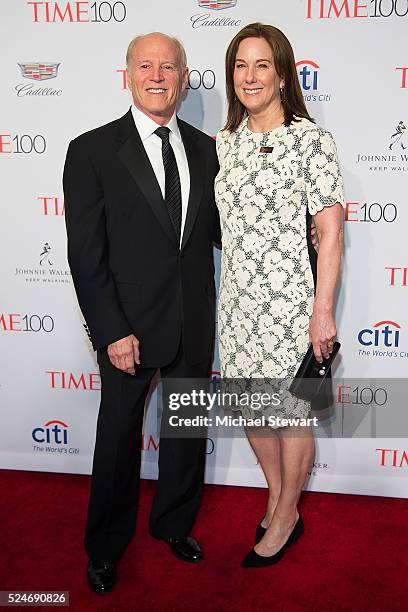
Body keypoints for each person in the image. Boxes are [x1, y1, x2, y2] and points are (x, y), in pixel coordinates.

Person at [63, 32, 220, 594]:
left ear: (184, 77)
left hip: (194, 324)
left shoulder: (208, 149)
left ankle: (174, 523)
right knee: (118, 442)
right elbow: (85, 253)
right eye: (147, 66)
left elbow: (227, 232)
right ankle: (105, 548)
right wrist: (111, 331)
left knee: (183, 434)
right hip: (126, 329)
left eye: (170, 67)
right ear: (128, 73)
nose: (159, 76)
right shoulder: (92, 150)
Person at [215, 23, 345, 567]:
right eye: (241, 66)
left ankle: (287, 514)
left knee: (290, 414)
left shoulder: (311, 140)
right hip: (238, 302)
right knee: (253, 407)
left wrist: (322, 313)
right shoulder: (224, 142)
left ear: (283, 73)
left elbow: (332, 233)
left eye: (262, 65)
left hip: (292, 304)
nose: (250, 77)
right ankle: (277, 493)